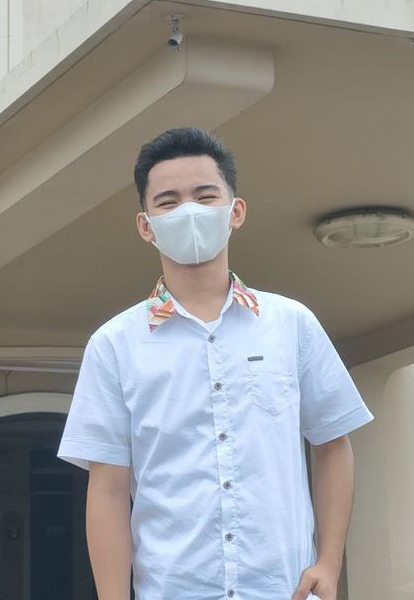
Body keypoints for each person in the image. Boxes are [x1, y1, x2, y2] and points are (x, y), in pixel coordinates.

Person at [57, 127, 373, 600]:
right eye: (168, 201)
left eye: (206, 196)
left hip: (283, 590)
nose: (189, 211)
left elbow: (332, 442)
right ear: (145, 225)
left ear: (235, 212)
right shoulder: (114, 345)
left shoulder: (292, 324)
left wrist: (328, 562)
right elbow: (107, 488)